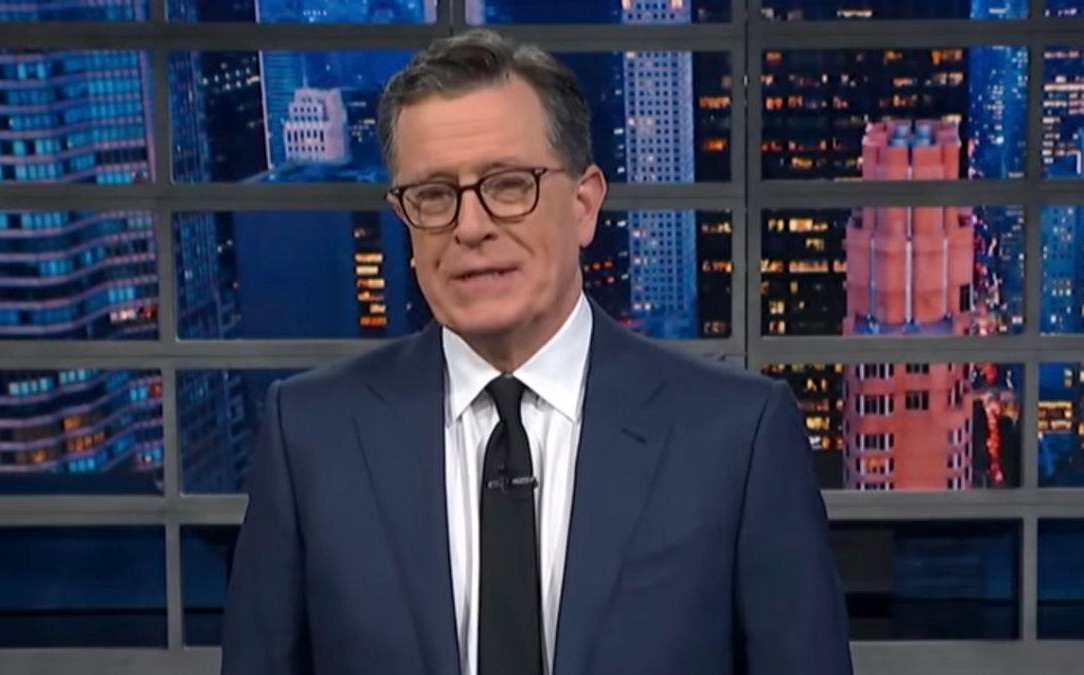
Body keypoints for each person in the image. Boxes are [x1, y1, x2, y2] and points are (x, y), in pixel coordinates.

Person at [221, 29, 853, 675]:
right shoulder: (311, 436)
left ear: (583, 205)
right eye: (434, 195)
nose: (470, 227)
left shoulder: (737, 437)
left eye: (507, 185)